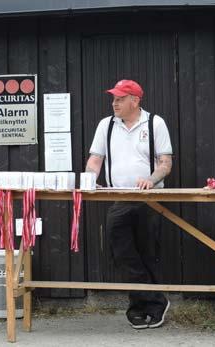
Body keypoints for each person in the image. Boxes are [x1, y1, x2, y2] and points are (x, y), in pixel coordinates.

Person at [85, 79, 173, 329]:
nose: (114, 103)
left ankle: (142, 306)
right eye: (114, 98)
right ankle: (153, 301)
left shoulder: (155, 123)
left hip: (149, 198)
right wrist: (90, 181)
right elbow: (95, 160)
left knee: (148, 252)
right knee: (122, 251)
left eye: (120, 98)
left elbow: (165, 163)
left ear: (135, 100)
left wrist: (150, 179)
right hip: (120, 197)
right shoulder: (106, 125)